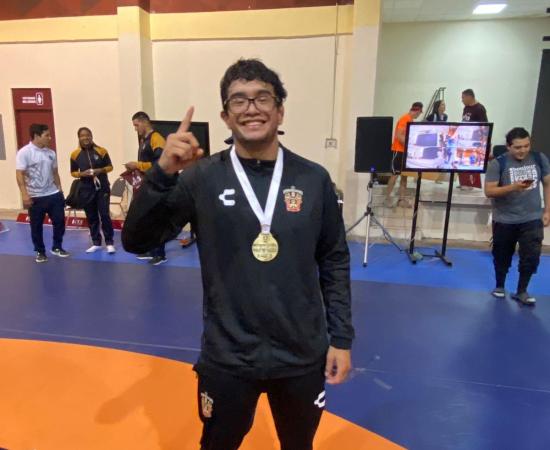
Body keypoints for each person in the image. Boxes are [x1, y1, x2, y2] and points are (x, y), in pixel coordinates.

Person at [122, 59, 354, 450]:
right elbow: (137, 241)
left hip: (300, 354)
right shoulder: (202, 177)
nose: (251, 108)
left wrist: (342, 338)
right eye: (239, 100)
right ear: (225, 116)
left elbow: (334, 259)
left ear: (280, 110)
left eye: (263, 98)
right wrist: (161, 173)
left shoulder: (313, 179)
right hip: (228, 356)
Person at [484, 127, 550, 305]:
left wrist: (547, 210)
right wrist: (513, 187)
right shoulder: (498, 163)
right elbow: (489, 191)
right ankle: (499, 286)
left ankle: (522, 291)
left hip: (532, 218)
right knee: (501, 255)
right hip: (504, 218)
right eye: (518, 147)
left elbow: (547, 184)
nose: (523, 150)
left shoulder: (539, 158)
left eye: (526, 146)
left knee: (531, 256)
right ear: (508, 147)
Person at [15, 124, 69, 262]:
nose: (50, 138)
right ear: (36, 136)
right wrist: (24, 194)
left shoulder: (51, 153)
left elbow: (55, 173)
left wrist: (60, 190)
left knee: (59, 222)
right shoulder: (24, 153)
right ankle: (40, 251)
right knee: (36, 226)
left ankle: (57, 247)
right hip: (36, 196)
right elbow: (20, 174)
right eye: (47, 135)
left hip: (53, 194)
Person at [125, 111, 167, 265]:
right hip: (147, 183)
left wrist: (137, 165)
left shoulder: (156, 138)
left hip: (157, 184)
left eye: (136, 125)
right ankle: (151, 249)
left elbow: (160, 163)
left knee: (157, 219)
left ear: (144, 122)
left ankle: (160, 254)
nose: (135, 129)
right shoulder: (144, 140)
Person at [70, 127, 115, 254]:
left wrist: (100, 170)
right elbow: (73, 172)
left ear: (91, 136)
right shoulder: (75, 154)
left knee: (104, 215)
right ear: (79, 138)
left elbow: (110, 167)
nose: (85, 137)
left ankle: (109, 243)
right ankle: (96, 243)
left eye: (88, 135)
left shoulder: (101, 151)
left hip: (102, 188)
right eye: (82, 135)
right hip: (86, 189)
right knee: (91, 216)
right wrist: (81, 174)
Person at [384, 101, 423, 208]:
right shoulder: (404, 119)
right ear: (418, 111)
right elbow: (399, 135)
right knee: (395, 175)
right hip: (398, 151)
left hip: (405, 152)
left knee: (404, 176)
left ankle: (401, 200)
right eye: (420, 113)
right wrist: (410, 145)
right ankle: (387, 198)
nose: (419, 115)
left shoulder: (410, 120)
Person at [460, 89, 488, 189]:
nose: (462, 100)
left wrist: (483, 141)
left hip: (475, 140)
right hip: (465, 139)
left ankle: (472, 184)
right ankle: (464, 182)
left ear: (469, 97)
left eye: (463, 97)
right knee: (463, 160)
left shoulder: (480, 108)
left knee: (472, 161)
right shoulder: (466, 108)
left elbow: (484, 126)